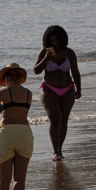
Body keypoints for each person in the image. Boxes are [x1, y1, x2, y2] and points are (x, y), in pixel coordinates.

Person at [0, 63, 34, 190]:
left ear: (5, 77)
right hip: (25, 134)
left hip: (6, 134)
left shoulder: (3, 92)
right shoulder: (28, 94)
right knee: (19, 179)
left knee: (4, 180)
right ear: (19, 76)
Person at [34, 25, 82, 160]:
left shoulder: (69, 53)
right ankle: (56, 151)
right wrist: (46, 59)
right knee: (55, 120)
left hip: (67, 89)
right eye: (51, 41)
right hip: (49, 88)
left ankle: (60, 149)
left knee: (64, 120)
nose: (54, 43)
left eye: (56, 40)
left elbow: (75, 72)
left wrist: (79, 89)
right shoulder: (44, 52)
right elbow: (36, 70)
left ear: (62, 39)